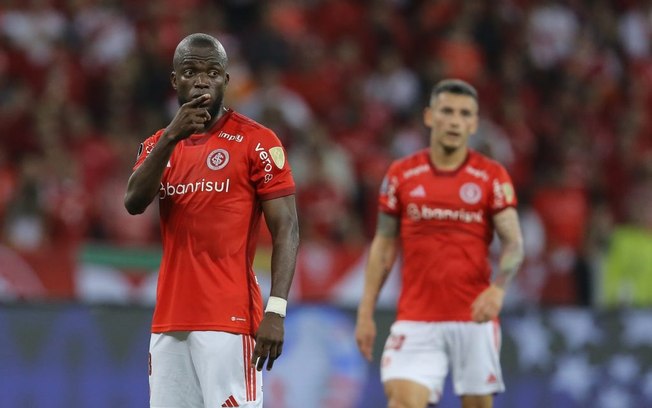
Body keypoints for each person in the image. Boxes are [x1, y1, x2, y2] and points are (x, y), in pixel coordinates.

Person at [124, 33, 299, 408]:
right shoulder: (159, 145)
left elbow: (287, 229)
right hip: (169, 323)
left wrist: (276, 309)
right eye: (190, 71)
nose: (201, 80)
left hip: (230, 320)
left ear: (226, 80)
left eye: (212, 72)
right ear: (175, 80)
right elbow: (134, 202)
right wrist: (172, 136)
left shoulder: (257, 142)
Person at [355, 79, 524, 408]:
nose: (455, 120)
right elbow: (384, 245)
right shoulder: (401, 174)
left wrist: (499, 288)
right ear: (429, 117)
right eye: (447, 111)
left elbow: (514, 243)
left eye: (464, 114)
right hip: (416, 320)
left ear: (474, 123)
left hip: (473, 317)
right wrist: (366, 312)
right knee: (402, 401)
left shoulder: (491, 176)